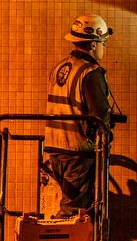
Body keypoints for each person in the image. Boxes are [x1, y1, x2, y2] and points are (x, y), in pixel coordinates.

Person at [44, 14, 114, 217]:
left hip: (55, 148)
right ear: (93, 45)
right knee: (73, 211)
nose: (104, 49)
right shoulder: (89, 72)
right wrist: (105, 136)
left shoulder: (60, 67)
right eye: (103, 43)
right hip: (77, 150)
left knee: (74, 205)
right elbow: (99, 115)